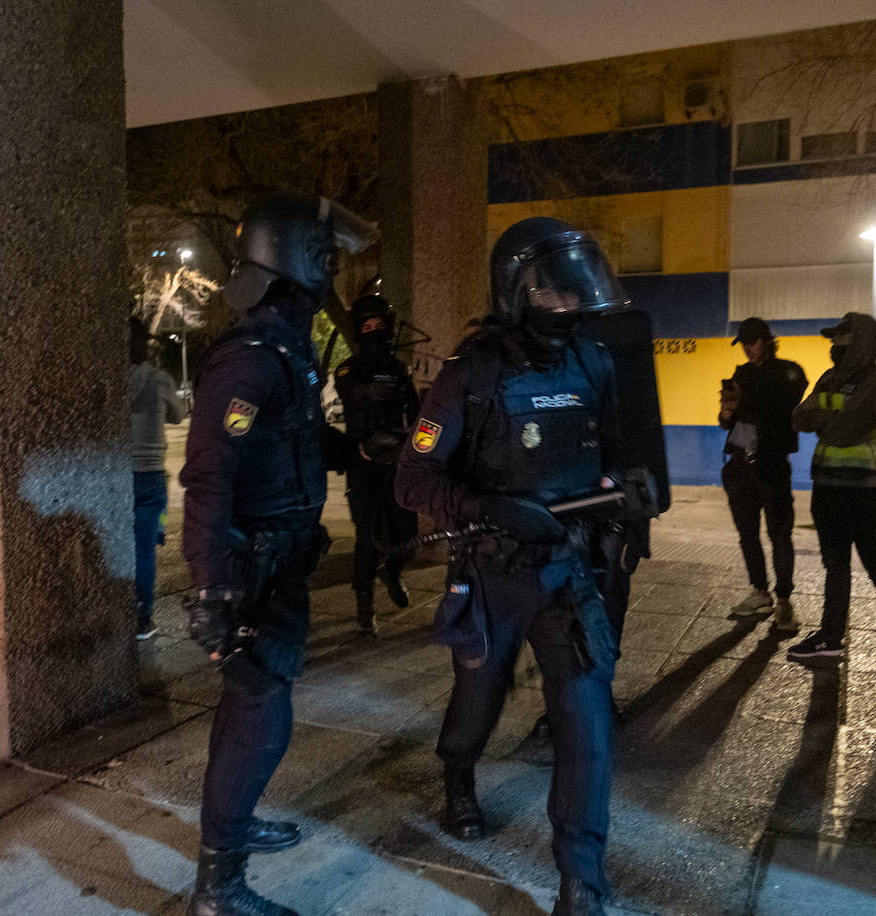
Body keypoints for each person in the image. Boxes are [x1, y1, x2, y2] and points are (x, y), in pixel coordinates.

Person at [395, 217, 627, 916]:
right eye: (556, 294)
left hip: (568, 574)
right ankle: (457, 775)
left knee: (586, 724)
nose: (571, 306)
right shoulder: (471, 376)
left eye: (577, 293)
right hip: (492, 576)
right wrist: (489, 508)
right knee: (476, 709)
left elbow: (615, 453)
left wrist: (625, 507)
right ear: (519, 292)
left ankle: (579, 878)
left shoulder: (593, 362)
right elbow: (412, 481)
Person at [180, 191, 375, 916]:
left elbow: (284, 443)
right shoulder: (250, 359)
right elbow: (210, 473)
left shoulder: (288, 345)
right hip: (251, 568)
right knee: (259, 712)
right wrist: (210, 584)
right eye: (325, 259)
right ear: (295, 259)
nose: (333, 272)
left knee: (257, 708)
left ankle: (233, 826)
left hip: (280, 559)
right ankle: (218, 888)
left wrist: (353, 449)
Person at [787, 311, 876, 689]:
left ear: (859, 343)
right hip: (826, 488)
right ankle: (829, 638)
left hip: (865, 494)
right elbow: (798, 419)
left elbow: (842, 432)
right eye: (832, 341)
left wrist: (824, 416)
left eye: (840, 340)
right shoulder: (830, 378)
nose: (833, 347)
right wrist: (827, 416)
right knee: (835, 566)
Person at [334, 293, 420, 636]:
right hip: (363, 462)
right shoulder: (349, 369)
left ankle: (393, 571)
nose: (373, 331)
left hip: (396, 461)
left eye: (378, 326)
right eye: (366, 326)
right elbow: (349, 391)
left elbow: (414, 412)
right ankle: (364, 608)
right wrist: (368, 391)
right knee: (366, 538)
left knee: (407, 534)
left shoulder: (400, 369)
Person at [717, 317, 808, 632]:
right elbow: (729, 421)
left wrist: (745, 402)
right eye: (743, 343)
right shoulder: (741, 374)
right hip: (740, 464)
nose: (748, 349)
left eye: (753, 342)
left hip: (771, 466)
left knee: (780, 535)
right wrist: (726, 413)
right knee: (748, 535)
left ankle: (784, 601)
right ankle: (760, 592)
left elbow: (781, 410)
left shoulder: (789, 372)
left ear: (767, 340)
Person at [129, 316, 187, 641]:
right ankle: (142, 617)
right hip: (151, 475)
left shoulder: (108, 378)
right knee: (144, 549)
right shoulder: (158, 379)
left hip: (117, 475)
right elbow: (179, 415)